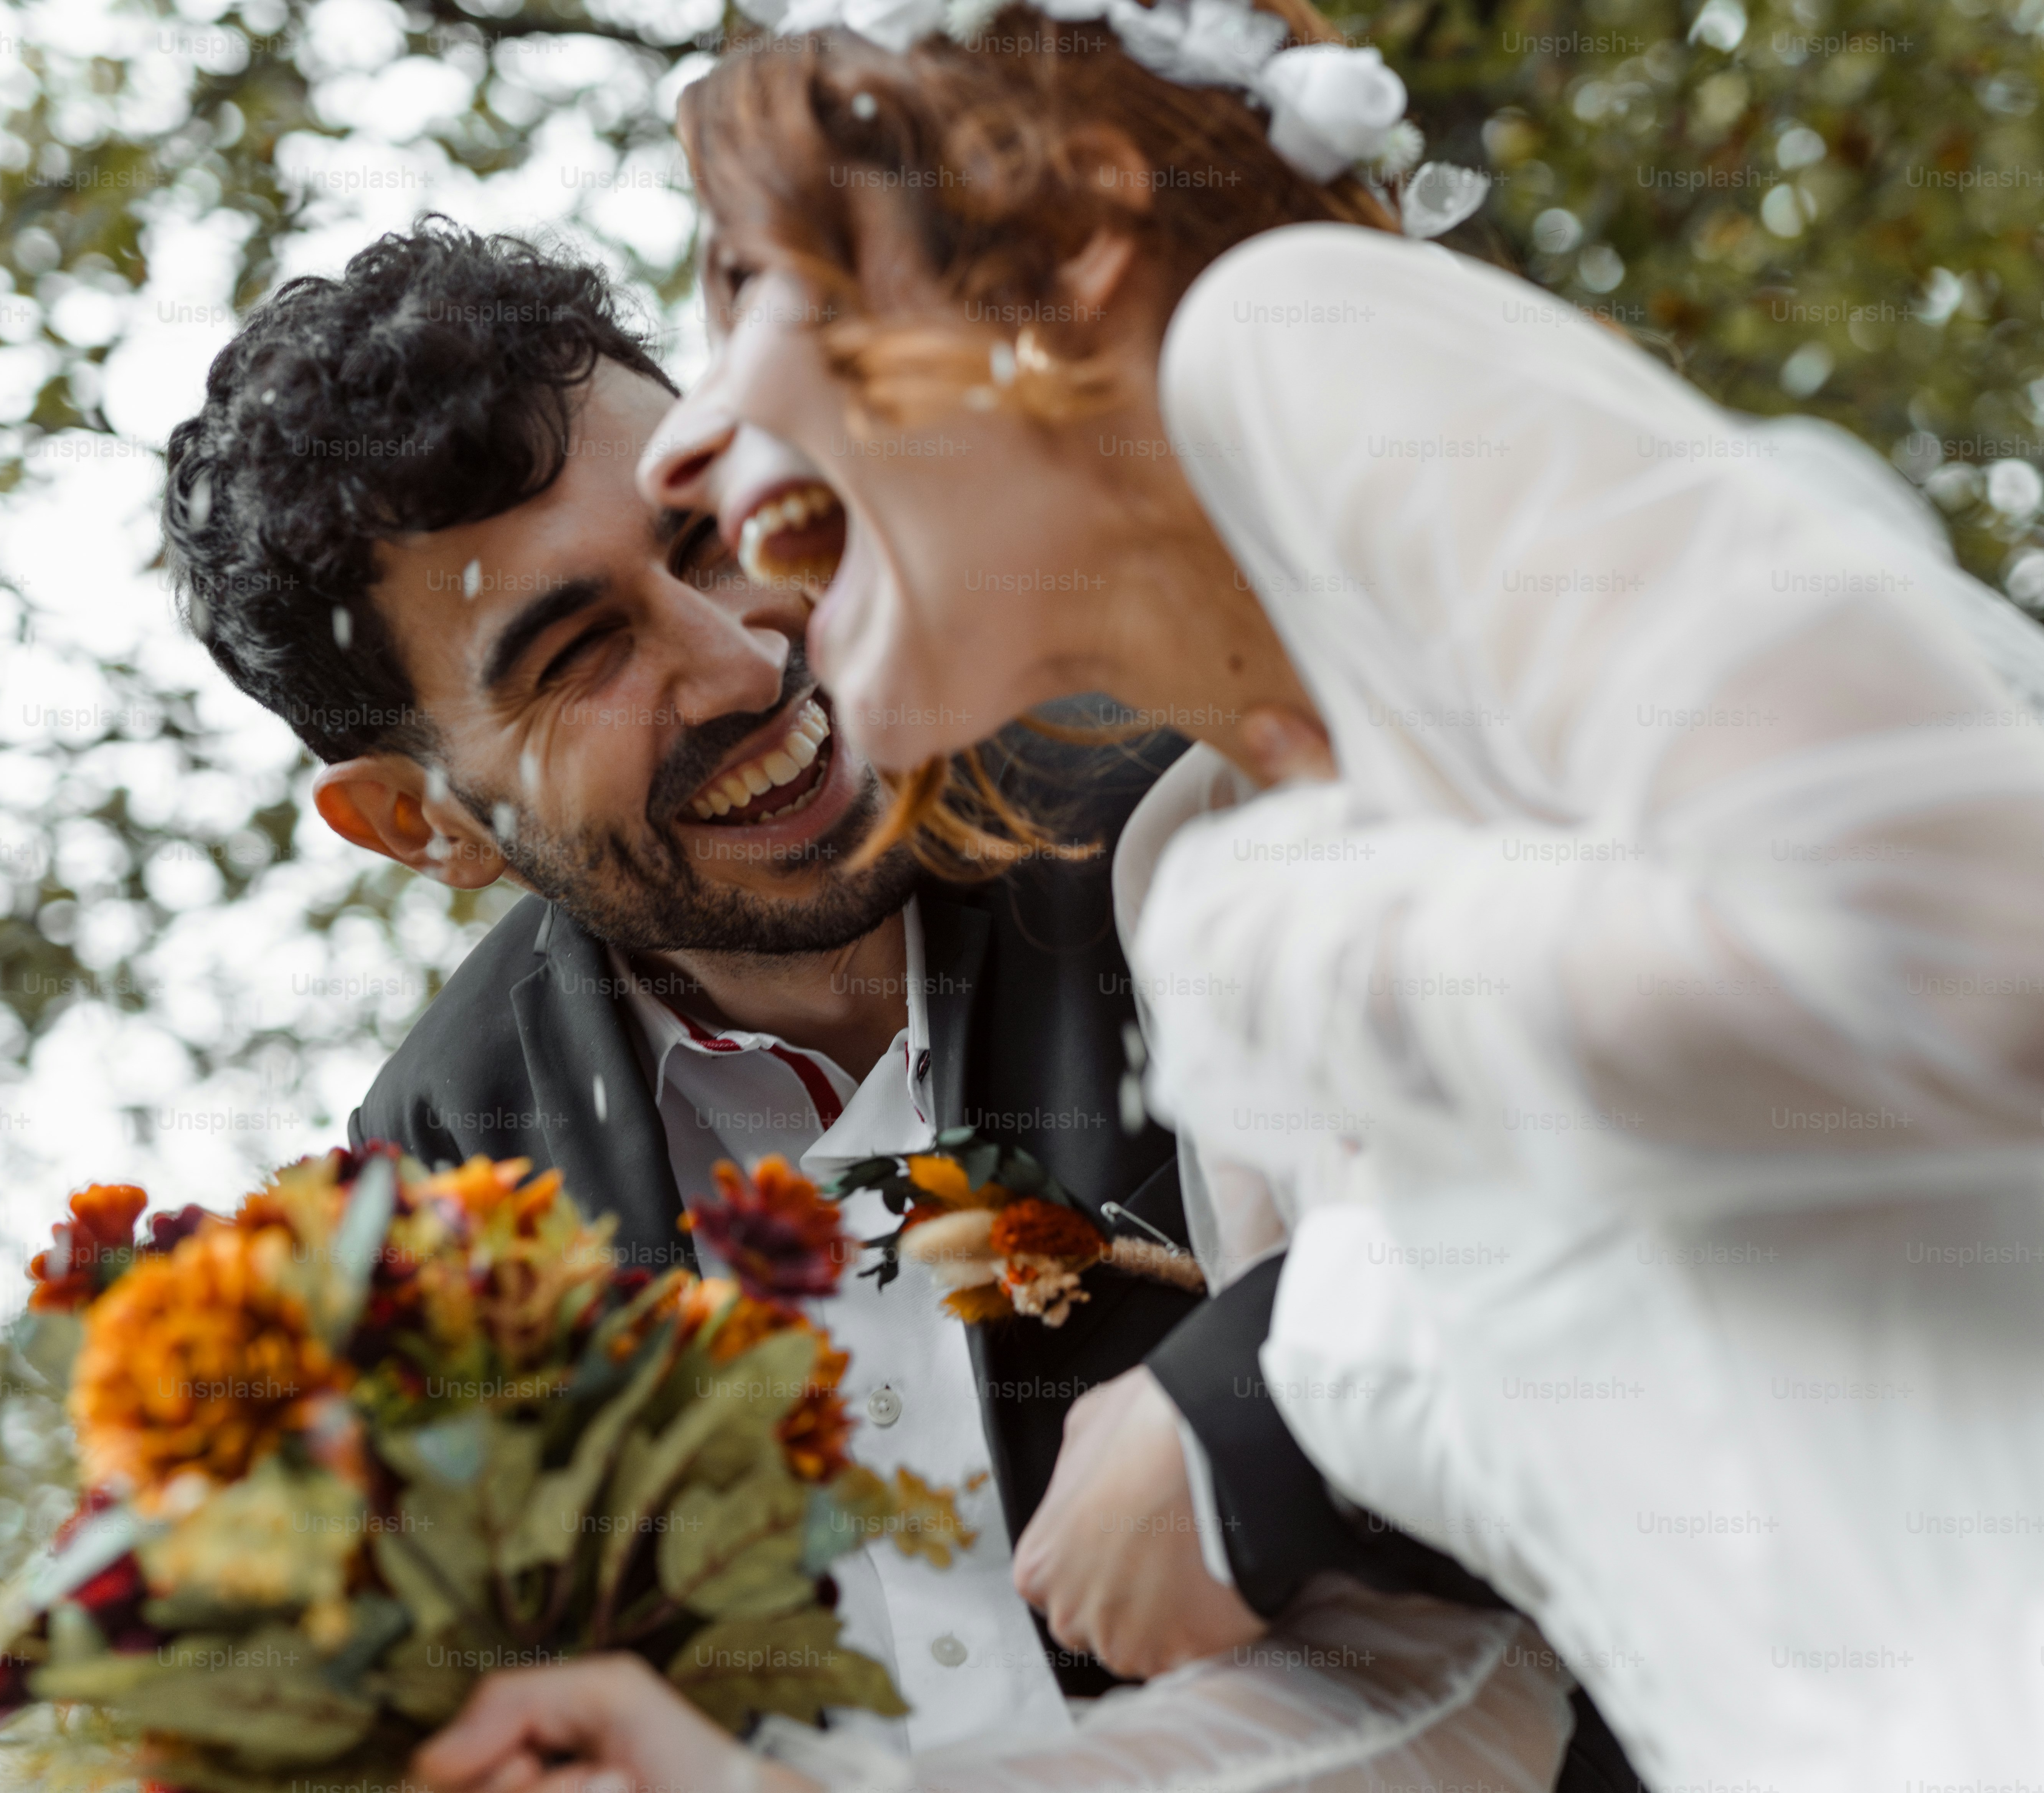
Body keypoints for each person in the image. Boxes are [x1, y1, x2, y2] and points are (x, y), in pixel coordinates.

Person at [438, 0, 2044, 1786]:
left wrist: (1314, 1310)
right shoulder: (1219, 873)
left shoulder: (1291, 336)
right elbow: (1436, 1701)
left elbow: (2000, 962)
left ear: (1059, 265)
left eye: (740, 286)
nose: (698, 457)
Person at [162, 221, 1621, 1789]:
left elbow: (1610, 1236)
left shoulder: (1198, 794)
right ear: (420, 823)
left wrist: (1238, 1403)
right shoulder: (441, 1185)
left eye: (707, 532)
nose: (738, 658)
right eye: (581, 653)